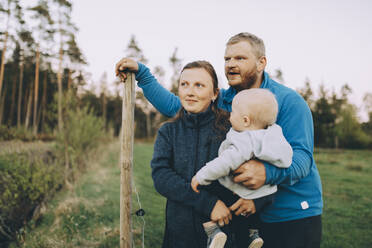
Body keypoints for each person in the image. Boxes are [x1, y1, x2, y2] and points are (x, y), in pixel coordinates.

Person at [116, 32, 323, 248]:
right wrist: (143, 74)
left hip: (292, 213)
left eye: (240, 58)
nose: (231, 65)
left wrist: (267, 173)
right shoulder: (226, 101)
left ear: (261, 62)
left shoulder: (288, 101)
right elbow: (180, 105)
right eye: (227, 59)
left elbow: (302, 160)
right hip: (247, 212)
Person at [117, 59, 241, 248]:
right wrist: (208, 204)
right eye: (184, 84)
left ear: (215, 93)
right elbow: (162, 177)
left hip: (225, 231)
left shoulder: (230, 127)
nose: (190, 92)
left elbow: (255, 162)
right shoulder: (169, 131)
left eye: (199, 85)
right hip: (180, 233)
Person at [191, 88, 293, 248]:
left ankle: (214, 231)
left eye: (232, 113)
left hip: (241, 187)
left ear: (246, 120)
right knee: (247, 217)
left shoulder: (243, 140)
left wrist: (202, 175)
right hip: (266, 193)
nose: (229, 116)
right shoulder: (274, 133)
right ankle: (253, 236)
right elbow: (287, 159)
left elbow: (226, 162)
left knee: (205, 191)